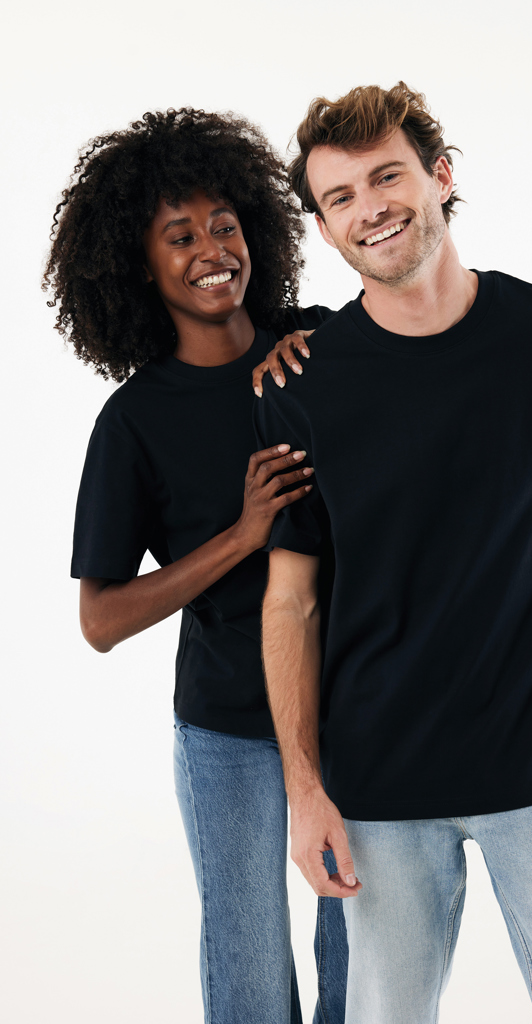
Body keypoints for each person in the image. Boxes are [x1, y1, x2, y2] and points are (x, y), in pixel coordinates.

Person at [255, 82, 532, 1024]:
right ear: (324, 228)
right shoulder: (303, 385)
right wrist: (305, 791)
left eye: (386, 177)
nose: (369, 208)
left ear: (438, 177)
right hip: (379, 783)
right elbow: (290, 600)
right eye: (339, 197)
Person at [43, 107, 347, 1024]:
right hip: (228, 730)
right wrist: (241, 536)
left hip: (357, 708)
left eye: (224, 225)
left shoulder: (321, 346)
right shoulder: (134, 422)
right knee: (248, 979)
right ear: (140, 264)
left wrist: (317, 350)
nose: (212, 250)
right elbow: (100, 620)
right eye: (180, 236)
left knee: (366, 970)